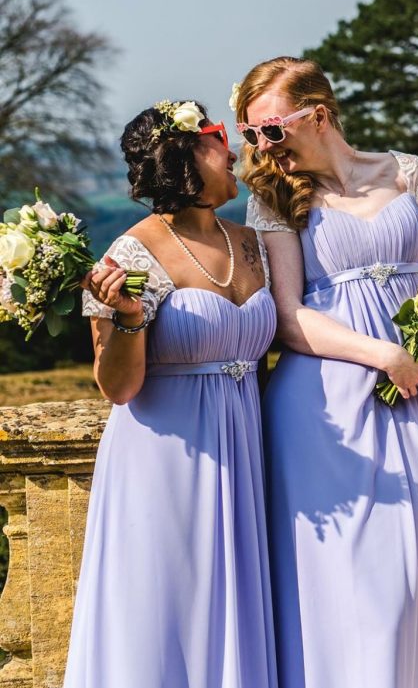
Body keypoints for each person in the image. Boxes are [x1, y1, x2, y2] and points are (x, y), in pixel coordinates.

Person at [237, 57, 418, 688]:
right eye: (249, 136)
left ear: (318, 115)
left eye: (270, 130)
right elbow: (288, 321)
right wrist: (384, 355)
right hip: (327, 405)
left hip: (414, 397)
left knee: (417, 575)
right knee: (360, 591)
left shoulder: (408, 173)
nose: (262, 148)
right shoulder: (274, 198)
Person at [67, 100, 276, 687]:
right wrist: (128, 316)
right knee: (166, 614)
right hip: (165, 460)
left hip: (245, 453)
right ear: (184, 154)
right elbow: (118, 385)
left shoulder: (253, 242)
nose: (232, 149)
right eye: (215, 140)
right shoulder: (129, 253)